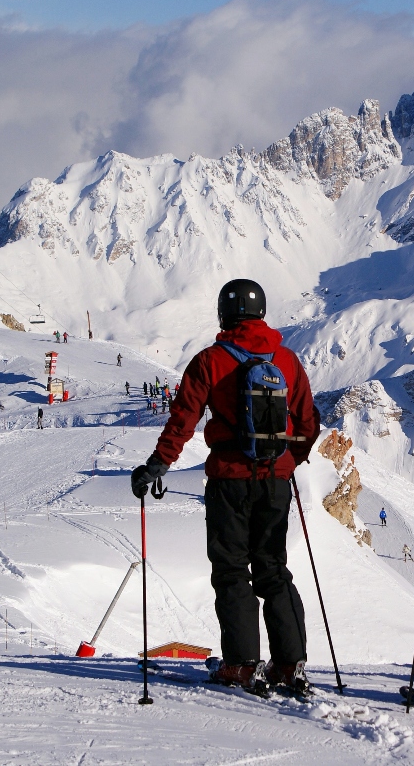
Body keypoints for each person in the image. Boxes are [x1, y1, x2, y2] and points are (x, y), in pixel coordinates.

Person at [130, 279, 319, 694]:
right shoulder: (286, 360)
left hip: (228, 482)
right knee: (274, 570)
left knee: (233, 571)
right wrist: (287, 462)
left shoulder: (210, 361)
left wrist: (158, 465)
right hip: (275, 482)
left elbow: (183, 419)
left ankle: (241, 665)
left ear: (223, 314)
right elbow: (308, 423)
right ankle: (290, 665)